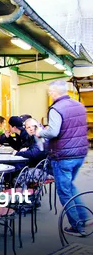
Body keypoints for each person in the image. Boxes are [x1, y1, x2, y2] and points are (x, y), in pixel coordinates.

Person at [36, 80, 89, 236]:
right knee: (70, 186)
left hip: (63, 156)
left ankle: (77, 226)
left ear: (54, 92)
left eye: (50, 92)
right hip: (80, 153)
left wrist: (40, 132)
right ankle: (84, 217)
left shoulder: (56, 109)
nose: (49, 95)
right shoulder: (79, 105)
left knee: (64, 191)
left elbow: (53, 132)